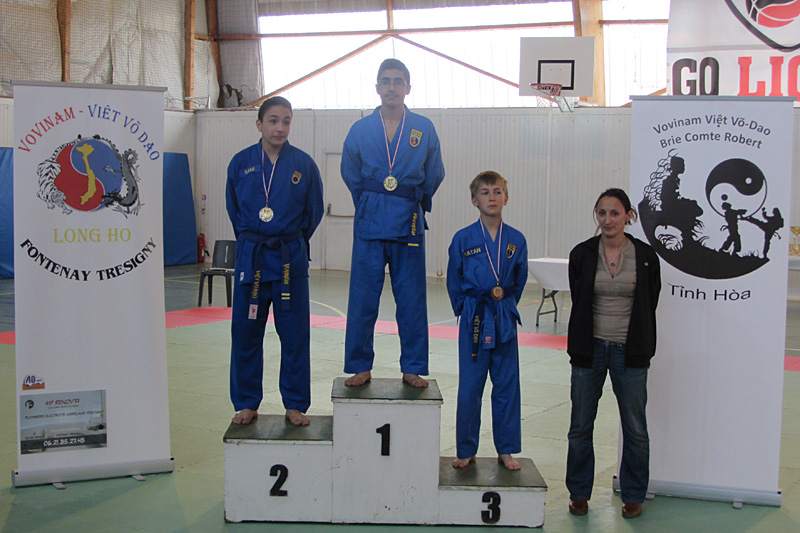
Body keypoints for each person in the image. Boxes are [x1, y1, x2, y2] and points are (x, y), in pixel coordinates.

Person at [341, 58, 445, 388]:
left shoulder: (423, 128)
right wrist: (370, 201)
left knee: (412, 299)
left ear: (408, 88)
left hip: (408, 221)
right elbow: (349, 172)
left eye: (398, 82)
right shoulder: (360, 129)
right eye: (385, 81)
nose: (391, 87)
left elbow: (435, 172)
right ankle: (360, 365)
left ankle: (413, 367)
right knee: (362, 298)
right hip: (371, 220)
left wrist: (412, 200)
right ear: (377, 88)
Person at [226, 96, 324, 426]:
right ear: (259, 124)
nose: (279, 127)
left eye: (286, 121)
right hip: (251, 260)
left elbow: (313, 212)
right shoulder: (240, 163)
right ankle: (246, 402)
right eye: (273, 120)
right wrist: (252, 238)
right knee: (245, 333)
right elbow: (234, 209)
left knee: (295, 336)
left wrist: (292, 240)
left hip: (287, 261)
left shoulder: (304, 164)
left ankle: (295, 404)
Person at [566, 188, 661, 519]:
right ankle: (579, 493)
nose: (608, 220)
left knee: (635, 427)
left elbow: (650, 301)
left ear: (628, 216)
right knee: (580, 425)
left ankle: (634, 494)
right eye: (602, 213)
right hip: (589, 350)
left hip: (629, 353)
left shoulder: (646, 257)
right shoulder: (581, 254)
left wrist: (636, 345)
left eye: (615, 213)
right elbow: (579, 300)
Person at [446, 171, 528, 471]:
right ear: (473, 199)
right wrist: (466, 310)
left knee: (507, 385)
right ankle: (466, 449)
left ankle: (506, 449)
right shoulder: (463, 238)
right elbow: (454, 279)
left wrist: (504, 303)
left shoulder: (516, 239)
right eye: (484, 192)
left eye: (497, 192)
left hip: (503, 315)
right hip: (475, 318)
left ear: (506, 198)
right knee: (470, 386)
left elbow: (518, 281)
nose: (491, 197)